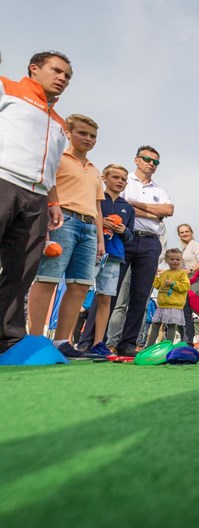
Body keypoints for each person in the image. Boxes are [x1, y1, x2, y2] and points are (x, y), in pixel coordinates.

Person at [0, 50, 70, 354]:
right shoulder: (7, 88)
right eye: (56, 71)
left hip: (38, 197)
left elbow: (52, 166)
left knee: (21, 272)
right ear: (34, 68)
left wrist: (53, 202)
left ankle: (8, 340)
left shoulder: (58, 121)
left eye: (67, 76)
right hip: (3, 181)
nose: (63, 79)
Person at [27, 114, 104, 358]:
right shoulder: (58, 157)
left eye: (93, 136)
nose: (88, 139)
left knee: (80, 286)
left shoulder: (94, 170)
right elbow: (47, 182)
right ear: (69, 133)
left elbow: (99, 207)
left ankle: (62, 342)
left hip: (89, 226)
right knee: (48, 278)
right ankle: (36, 340)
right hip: (63, 221)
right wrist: (53, 203)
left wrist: (101, 239)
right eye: (82, 133)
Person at [111, 145, 174, 357]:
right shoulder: (124, 181)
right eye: (147, 159)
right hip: (124, 237)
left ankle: (127, 343)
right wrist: (153, 213)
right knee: (111, 292)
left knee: (140, 297)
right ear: (136, 160)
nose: (151, 164)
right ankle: (97, 340)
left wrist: (134, 206)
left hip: (150, 242)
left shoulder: (159, 190)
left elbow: (168, 210)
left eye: (155, 162)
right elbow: (119, 205)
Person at [81, 164, 135, 358]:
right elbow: (84, 220)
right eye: (115, 177)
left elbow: (130, 236)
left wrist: (123, 231)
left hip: (114, 256)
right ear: (104, 178)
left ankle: (98, 343)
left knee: (106, 298)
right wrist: (98, 222)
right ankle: (67, 341)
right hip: (90, 251)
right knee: (78, 293)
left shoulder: (127, 207)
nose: (120, 181)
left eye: (123, 179)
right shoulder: (96, 200)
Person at [146, 248, 190, 346]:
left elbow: (185, 287)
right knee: (155, 325)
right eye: (172, 259)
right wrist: (154, 277)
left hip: (174, 306)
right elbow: (157, 286)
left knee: (171, 326)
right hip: (162, 305)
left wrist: (173, 284)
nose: (175, 261)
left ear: (181, 260)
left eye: (177, 259)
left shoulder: (182, 273)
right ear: (167, 260)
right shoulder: (164, 273)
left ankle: (168, 346)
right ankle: (149, 346)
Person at [178, 223, 199, 346]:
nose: (184, 234)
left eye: (186, 231)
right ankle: (184, 340)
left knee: (186, 312)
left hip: (193, 280)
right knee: (181, 311)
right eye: (182, 232)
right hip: (184, 281)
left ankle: (187, 341)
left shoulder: (195, 245)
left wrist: (190, 270)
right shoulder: (183, 248)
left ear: (191, 232)